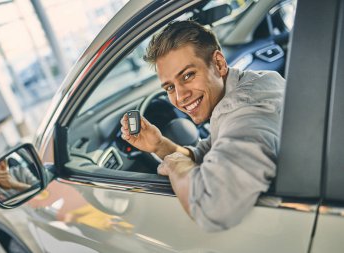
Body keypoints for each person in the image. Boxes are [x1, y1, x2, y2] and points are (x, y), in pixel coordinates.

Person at [120, 20, 285, 232]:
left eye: (188, 75)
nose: (180, 97)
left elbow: (212, 207)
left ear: (218, 63)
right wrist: (160, 145)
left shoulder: (245, 114)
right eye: (170, 87)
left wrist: (174, 165)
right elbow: (207, 151)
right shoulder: (256, 82)